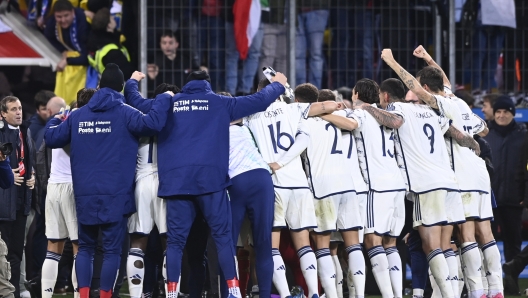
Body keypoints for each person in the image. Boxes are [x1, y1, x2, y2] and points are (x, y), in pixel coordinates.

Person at [150, 70, 286, 298]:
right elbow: (260, 101)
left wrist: (136, 86)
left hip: (220, 183)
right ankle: (252, 294)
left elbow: (141, 107)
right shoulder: (235, 117)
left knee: (207, 242)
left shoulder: (193, 118)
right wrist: (279, 85)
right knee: (259, 244)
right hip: (257, 179)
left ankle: (209, 293)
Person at [43, 63, 173, 298]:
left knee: (85, 249)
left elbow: (52, 138)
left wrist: (56, 117)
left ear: (99, 85)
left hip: (84, 194)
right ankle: (104, 296)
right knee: (112, 251)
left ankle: (83, 295)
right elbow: (153, 123)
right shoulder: (125, 113)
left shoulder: (78, 116)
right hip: (116, 194)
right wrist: (164, 98)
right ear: (122, 87)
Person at [379, 48, 479, 298]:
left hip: (427, 185)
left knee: (430, 244)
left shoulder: (402, 110)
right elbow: (458, 134)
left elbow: (392, 122)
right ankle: (452, 293)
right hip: (450, 183)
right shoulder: (436, 112)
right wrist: (472, 143)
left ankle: (447, 294)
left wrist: (391, 62)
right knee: (447, 245)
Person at [413, 45, 503, 298]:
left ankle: (476, 290)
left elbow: (425, 88)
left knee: (465, 235)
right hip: (479, 173)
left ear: (427, 89)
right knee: (485, 232)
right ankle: (495, 288)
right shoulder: (459, 101)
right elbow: (483, 130)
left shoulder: (438, 103)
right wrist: (428, 59)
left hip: (460, 175)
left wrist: (393, 63)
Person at [245, 81, 339, 298]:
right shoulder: (293, 109)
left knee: (272, 246)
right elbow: (319, 118)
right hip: (298, 184)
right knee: (304, 244)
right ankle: (314, 293)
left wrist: (275, 163)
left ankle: (286, 294)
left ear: (260, 92)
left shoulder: (252, 114)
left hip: (273, 183)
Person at [292, 89, 365, 298]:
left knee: (323, 246)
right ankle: (358, 295)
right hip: (347, 186)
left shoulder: (303, 122)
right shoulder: (339, 117)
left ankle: (332, 295)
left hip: (323, 188)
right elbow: (352, 125)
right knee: (353, 245)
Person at [0, 96, 36, 298]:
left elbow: (30, 159)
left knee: (15, 251)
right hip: (4, 202)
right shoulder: (0, 133)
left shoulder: (25, 131)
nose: (18, 112)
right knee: (3, 253)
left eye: (20, 108)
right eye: (13, 109)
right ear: (3, 114)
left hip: (22, 200)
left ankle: (13, 291)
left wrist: (32, 177)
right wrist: (5, 174)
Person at [483, 96, 527, 264]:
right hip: (489, 199)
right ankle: (488, 284)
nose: (502, 115)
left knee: (513, 243)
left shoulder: (523, 135)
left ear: (513, 114)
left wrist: (524, 195)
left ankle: (511, 281)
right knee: (487, 242)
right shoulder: (485, 134)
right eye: (498, 112)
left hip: (514, 199)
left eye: (506, 112)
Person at [44, 0, 91, 104]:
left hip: (88, 66)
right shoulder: (52, 23)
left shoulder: (83, 23)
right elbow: (48, 36)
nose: (63, 20)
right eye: (59, 17)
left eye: (66, 15)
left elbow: (87, 58)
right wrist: (62, 50)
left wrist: (67, 61)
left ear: (73, 12)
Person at [147, 31, 200, 96]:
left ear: (176, 44)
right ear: (160, 44)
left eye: (170, 43)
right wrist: (152, 79)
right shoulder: (155, 63)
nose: (167, 46)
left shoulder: (186, 61)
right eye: (164, 43)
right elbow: (151, 91)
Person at [88, 7, 134, 80]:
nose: (114, 18)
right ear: (109, 26)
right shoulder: (112, 52)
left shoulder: (95, 44)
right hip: (121, 89)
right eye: (112, 18)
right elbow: (128, 73)